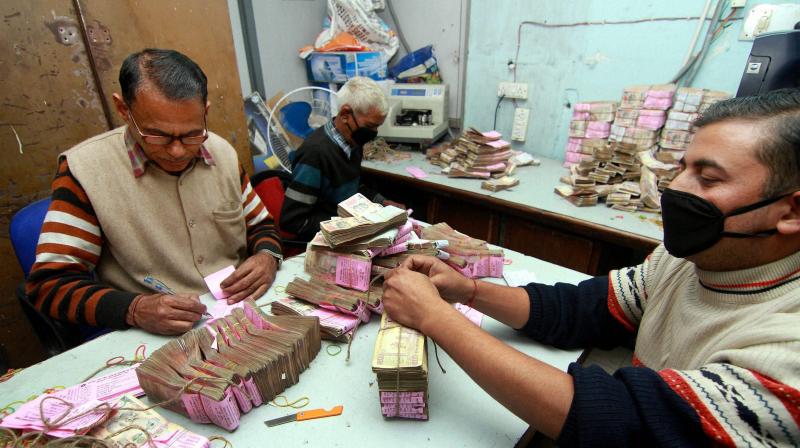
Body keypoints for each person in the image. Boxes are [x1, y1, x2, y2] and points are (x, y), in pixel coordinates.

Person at [383, 89, 800, 446]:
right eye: (681, 168)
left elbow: (620, 423)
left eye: (707, 179)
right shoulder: (685, 261)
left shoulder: (786, 355)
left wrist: (436, 318)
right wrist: (467, 291)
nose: (673, 189)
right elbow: (587, 308)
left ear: (792, 210)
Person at [25, 49, 282, 336]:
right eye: (157, 135)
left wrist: (267, 257)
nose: (177, 150)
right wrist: (134, 309)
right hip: (157, 334)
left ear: (205, 112)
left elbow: (261, 226)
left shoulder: (221, 153)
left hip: (239, 313)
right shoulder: (85, 171)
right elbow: (50, 285)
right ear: (124, 110)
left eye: (191, 134)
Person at [280, 77, 390, 242]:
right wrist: (347, 226)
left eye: (377, 126)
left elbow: (351, 188)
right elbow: (293, 221)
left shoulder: (352, 143)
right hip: (324, 241)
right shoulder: (315, 154)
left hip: (346, 231)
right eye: (370, 126)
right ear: (346, 114)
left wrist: (382, 202)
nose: (373, 133)